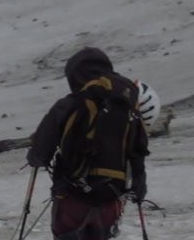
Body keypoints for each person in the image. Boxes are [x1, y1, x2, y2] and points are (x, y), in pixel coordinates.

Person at [26, 48, 150, 240]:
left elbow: (40, 152)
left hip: (73, 194)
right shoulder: (127, 105)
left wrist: (35, 157)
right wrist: (140, 183)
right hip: (112, 195)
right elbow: (139, 149)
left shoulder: (71, 103)